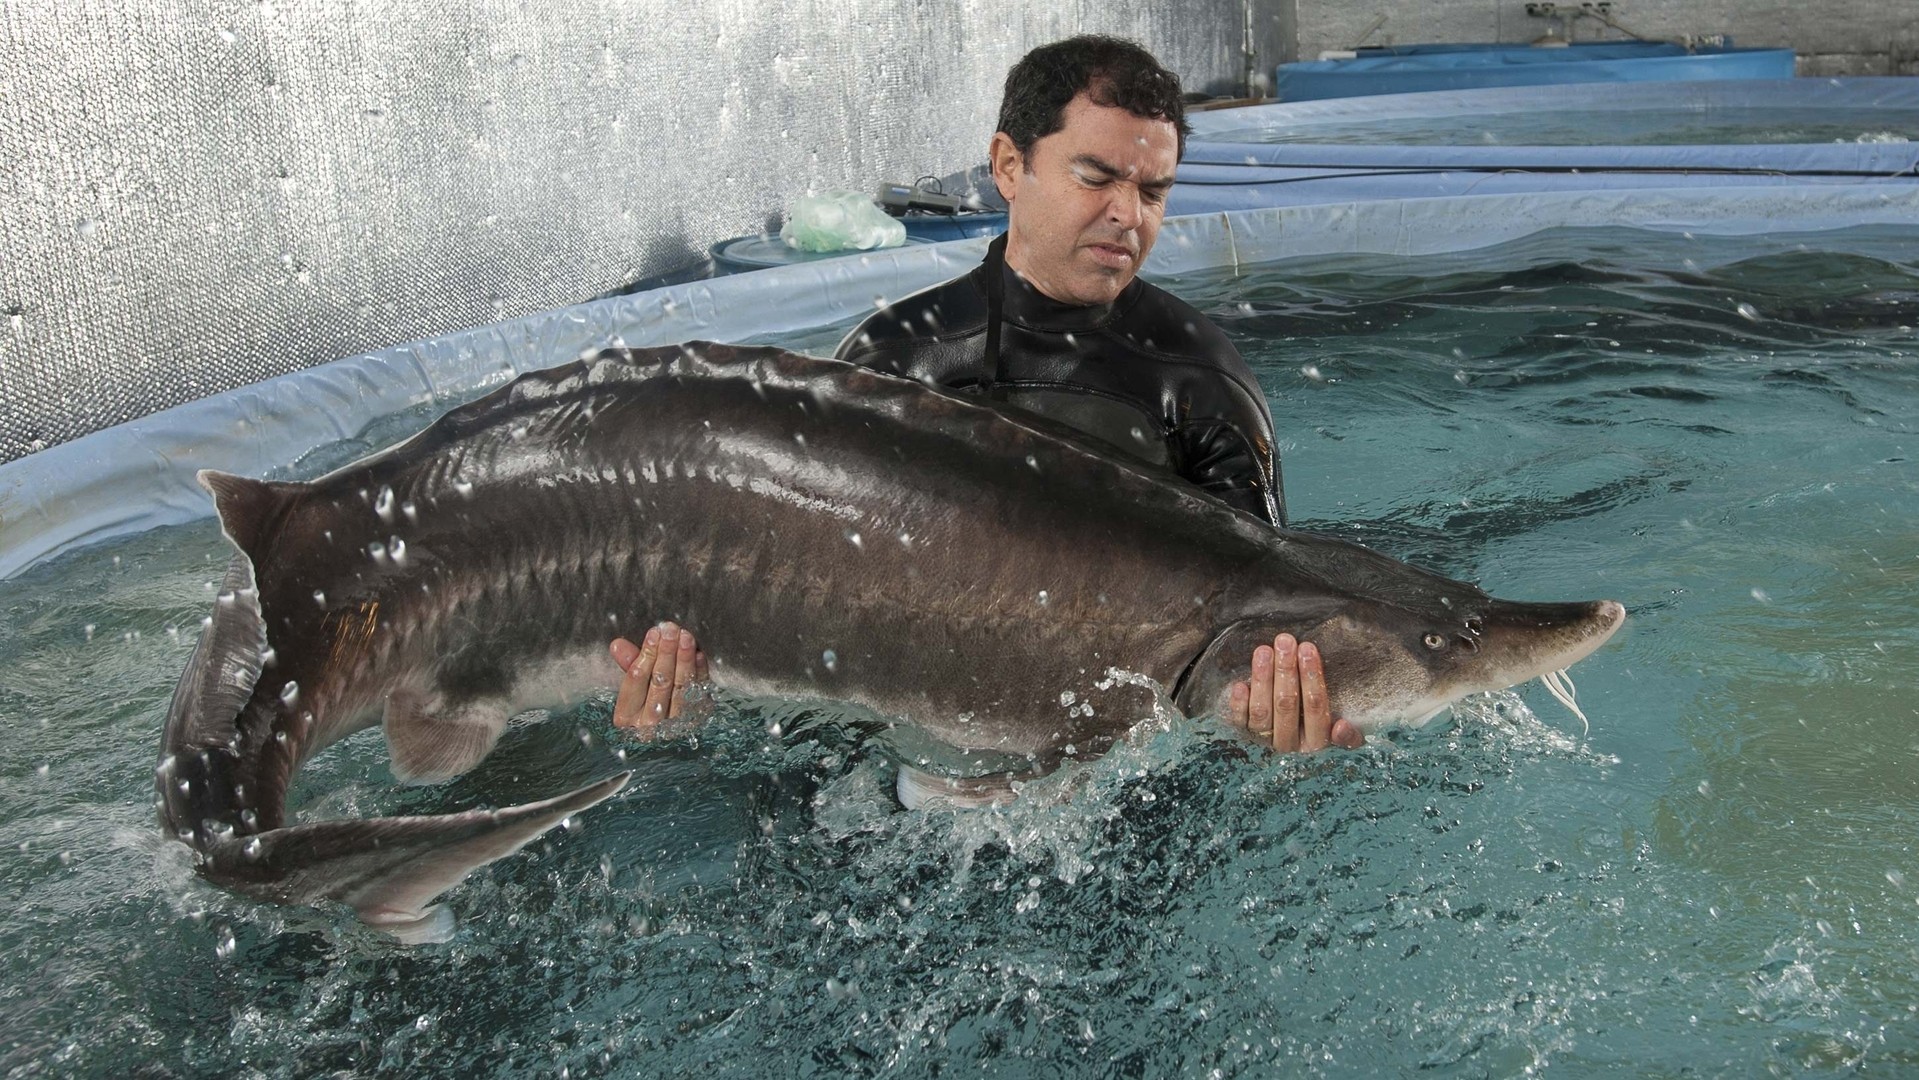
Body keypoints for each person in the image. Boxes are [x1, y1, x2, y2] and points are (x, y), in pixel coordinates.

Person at [610, 35, 1362, 759]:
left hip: (1122, 782)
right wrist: (686, 712)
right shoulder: (897, 358)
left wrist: (1270, 730)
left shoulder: (1203, 382)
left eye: (1153, 190)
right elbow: (803, 624)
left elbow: (1268, 607)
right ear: (1008, 165)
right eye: (1095, 177)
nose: (1128, 214)